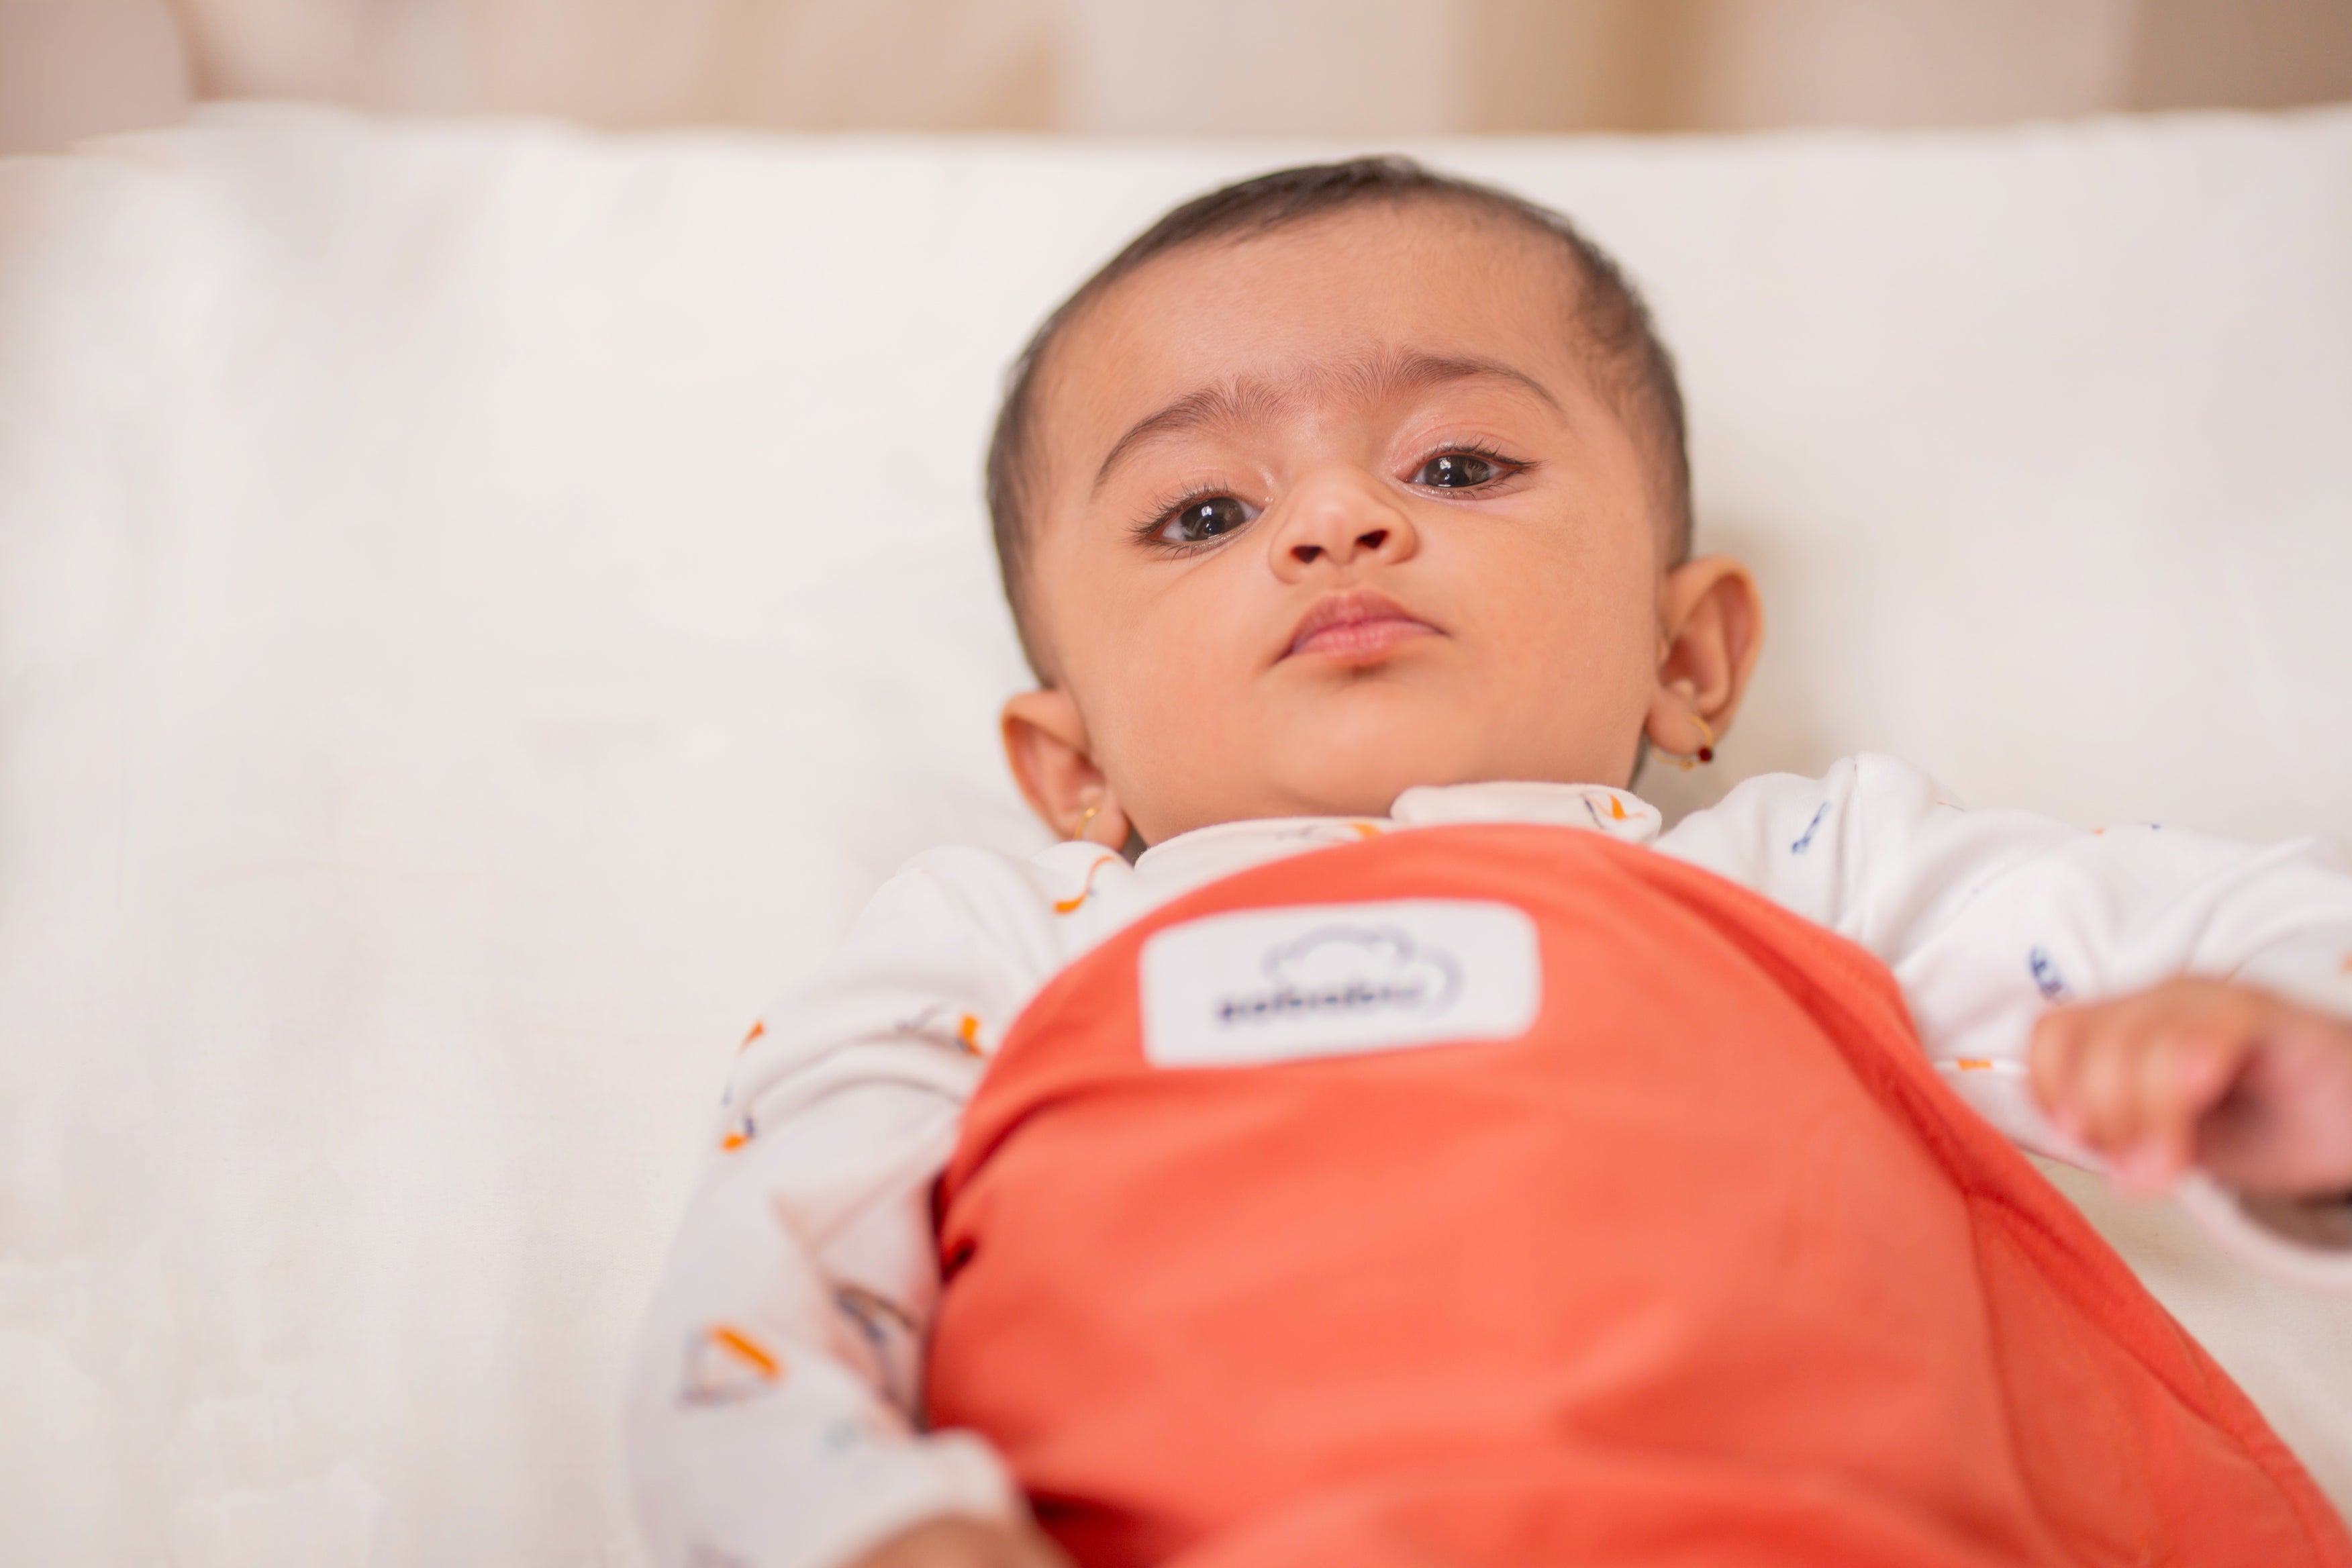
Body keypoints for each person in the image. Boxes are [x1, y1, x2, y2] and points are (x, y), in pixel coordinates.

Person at [626, 158, 2352, 1568]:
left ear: (1688, 665)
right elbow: (768, 1277)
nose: (1332, 523)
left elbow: (2216, 927)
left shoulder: (1810, 876)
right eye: (1206, 513)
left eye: (1456, 462)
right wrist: (873, 1529)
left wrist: (2284, 1067)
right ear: (1070, 767)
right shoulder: (1005, 942)